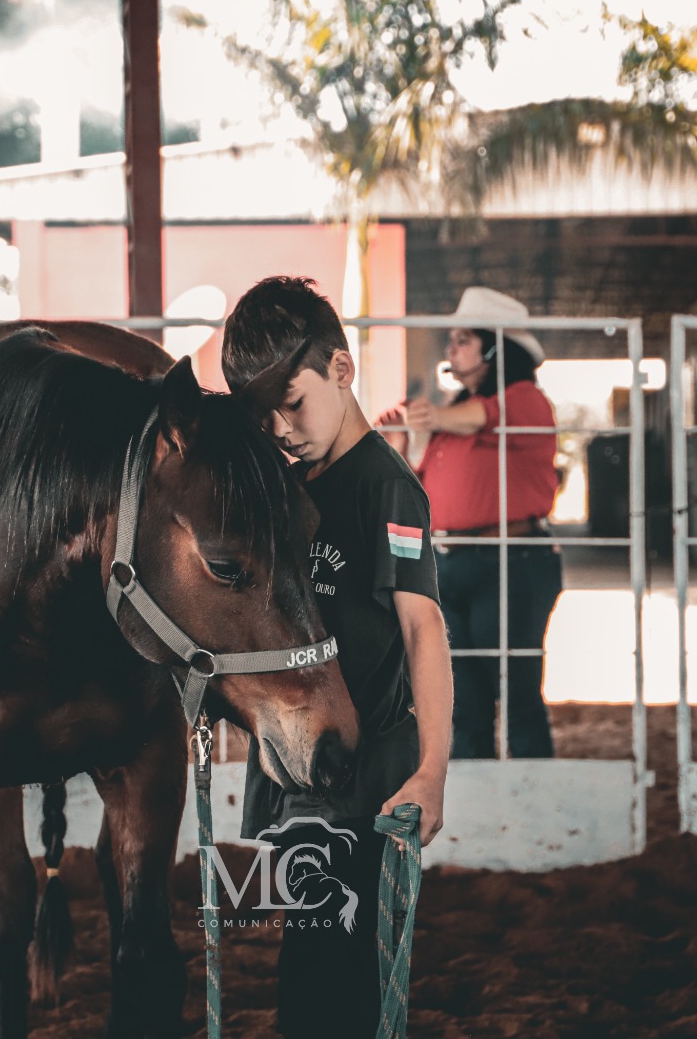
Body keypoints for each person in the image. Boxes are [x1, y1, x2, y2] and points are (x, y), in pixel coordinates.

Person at [222, 276, 454, 1039]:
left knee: (349, 990)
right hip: (298, 780)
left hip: (370, 791)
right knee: (305, 980)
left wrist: (431, 771)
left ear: (342, 370)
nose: (282, 428)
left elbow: (424, 632)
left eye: (293, 403)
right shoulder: (283, 490)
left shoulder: (386, 492)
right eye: (267, 415)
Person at [383, 286, 561, 760]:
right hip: (453, 563)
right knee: (463, 700)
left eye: (463, 339)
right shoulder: (454, 415)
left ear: (495, 347)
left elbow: (482, 416)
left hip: (511, 561)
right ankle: (479, 795)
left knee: (517, 693)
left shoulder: (525, 400)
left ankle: (528, 789)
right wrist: (404, 440)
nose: (452, 348)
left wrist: (430, 417)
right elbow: (416, 482)